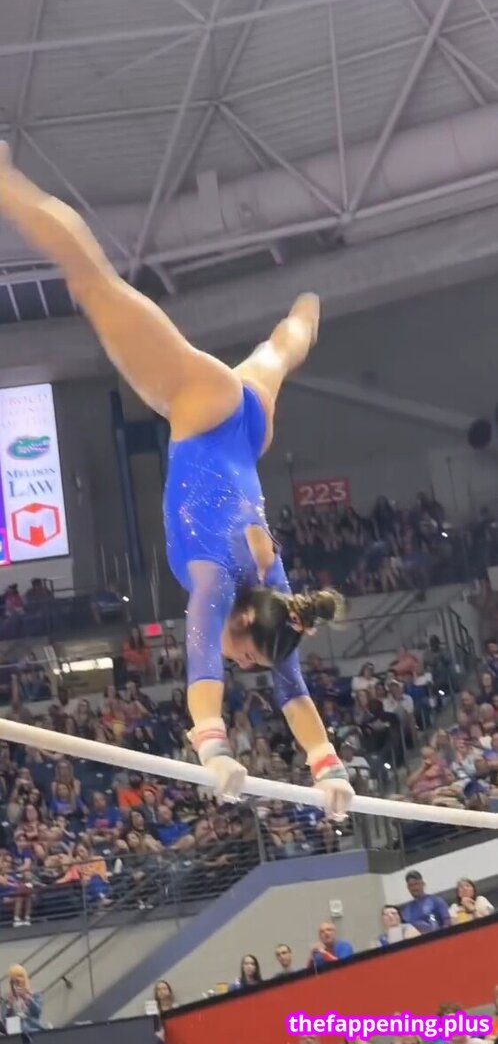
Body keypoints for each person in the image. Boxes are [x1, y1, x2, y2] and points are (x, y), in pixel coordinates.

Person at [0, 144, 353, 820]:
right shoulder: (217, 584)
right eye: (246, 655)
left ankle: (306, 313)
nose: (244, 665)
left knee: (278, 354)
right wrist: (212, 745)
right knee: (91, 282)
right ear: (242, 621)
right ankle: (3, 178)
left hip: (247, 429)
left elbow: (292, 685)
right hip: (204, 404)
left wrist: (326, 764)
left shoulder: (278, 597)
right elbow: (202, 664)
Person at [5, 964, 43, 1037]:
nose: (17, 983)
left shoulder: (35, 995)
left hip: (33, 1031)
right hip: (16, 1035)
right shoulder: (9, 999)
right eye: (13, 981)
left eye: (19, 979)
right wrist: (10, 1006)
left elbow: (37, 1012)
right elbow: (5, 1020)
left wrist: (25, 997)